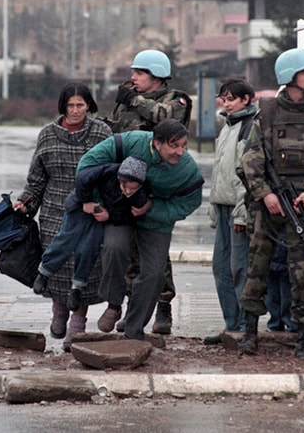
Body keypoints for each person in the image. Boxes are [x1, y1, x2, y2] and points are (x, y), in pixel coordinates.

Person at [238, 48, 304, 359]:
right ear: (289, 78)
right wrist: (265, 194)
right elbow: (250, 160)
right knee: (257, 265)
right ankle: (249, 331)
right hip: (268, 200)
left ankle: (303, 338)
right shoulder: (266, 113)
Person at [77, 119, 203, 341]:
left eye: (184, 145)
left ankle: (134, 329)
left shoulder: (187, 169)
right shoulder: (129, 142)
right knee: (115, 248)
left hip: (156, 220)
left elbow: (190, 202)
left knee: (154, 272)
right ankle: (114, 303)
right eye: (174, 146)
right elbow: (87, 166)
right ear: (157, 143)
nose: (180, 152)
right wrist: (95, 201)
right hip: (118, 211)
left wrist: (152, 208)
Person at [13, 82, 112, 350]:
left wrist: (104, 207)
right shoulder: (47, 135)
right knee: (56, 266)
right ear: (63, 107)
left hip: (90, 211)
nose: (76, 110)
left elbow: (110, 176)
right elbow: (37, 179)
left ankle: (77, 326)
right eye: (71, 105)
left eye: (81, 105)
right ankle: (59, 312)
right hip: (55, 211)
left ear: (89, 105)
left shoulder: (102, 133)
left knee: (86, 267)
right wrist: (24, 202)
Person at [107, 49, 192, 335]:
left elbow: (164, 118)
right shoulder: (127, 101)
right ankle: (135, 308)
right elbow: (116, 134)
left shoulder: (175, 100)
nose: (133, 78)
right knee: (131, 250)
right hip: (128, 184)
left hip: (158, 184)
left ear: (156, 76)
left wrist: (134, 100)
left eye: (139, 73)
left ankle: (163, 306)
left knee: (156, 251)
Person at [31, 156, 149, 312]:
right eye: (124, 185)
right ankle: (44, 272)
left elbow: (130, 216)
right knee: (65, 240)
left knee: (88, 249)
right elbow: (82, 178)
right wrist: (86, 201)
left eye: (132, 189)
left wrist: (110, 216)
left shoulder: (139, 195)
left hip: (101, 217)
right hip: (80, 206)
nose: (127, 191)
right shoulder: (108, 171)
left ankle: (77, 288)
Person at [203, 78, 258, 346]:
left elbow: (246, 175)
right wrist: (215, 207)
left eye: (231, 98)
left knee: (240, 269)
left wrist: (240, 213)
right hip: (223, 208)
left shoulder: (250, 126)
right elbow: (219, 171)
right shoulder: (227, 126)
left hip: (239, 211)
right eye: (223, 98)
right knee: (221, 268)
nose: (225, 103)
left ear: (246, 99)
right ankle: (231, 324)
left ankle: (248, 327)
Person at [265, 235, 297, 332]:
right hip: (272, 261)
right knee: (272, 296)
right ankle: (276, 322)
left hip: (283, 261)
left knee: (286, 296)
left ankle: (287, 323)